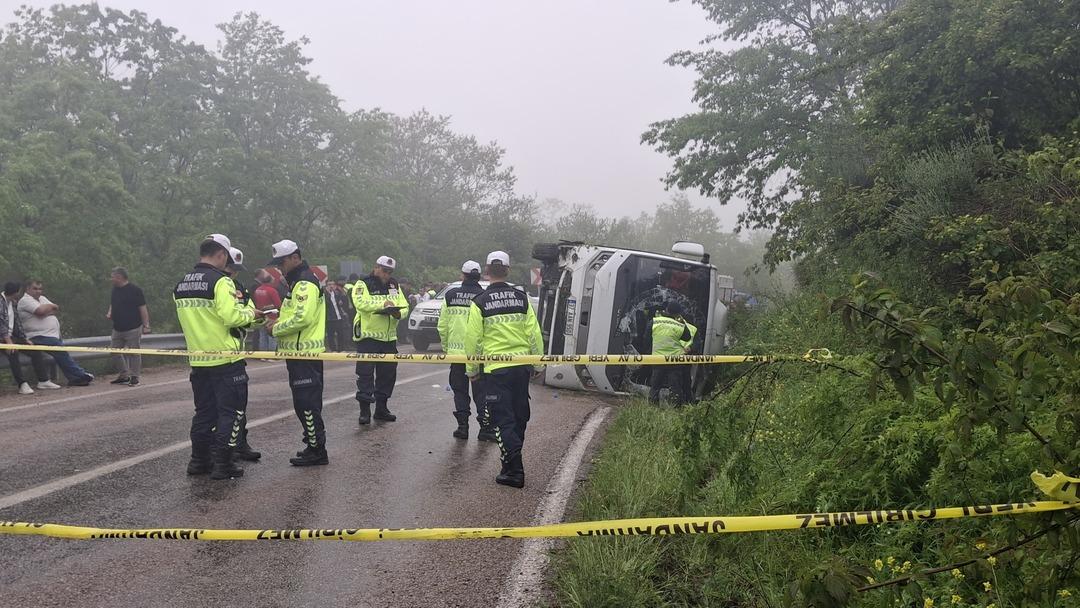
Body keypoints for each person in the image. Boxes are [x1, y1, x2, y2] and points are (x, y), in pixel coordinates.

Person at [174, 234, 262, 480]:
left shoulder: (181, 284)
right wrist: (252, 314)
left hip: (198, 360)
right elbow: (232, 317)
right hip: (225, 359)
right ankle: (223, 464)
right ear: (222, 255)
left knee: (203, 414)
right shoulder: (222, 282)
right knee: (231, 414)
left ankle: (198, 461)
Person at [464, 251, 544, 488]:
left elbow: (473, 340)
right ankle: (509, 464)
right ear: (508, 270)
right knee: (519, 417)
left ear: (487, 271)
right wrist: (538, 364)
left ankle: (515, 471)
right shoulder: (521, 298)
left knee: (503, 420)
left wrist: (472, 370)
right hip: (520, 369)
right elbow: (534, 334)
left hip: (495, 370)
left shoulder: (479, 302)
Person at [267, 239, 329, 466]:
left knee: (307, 404)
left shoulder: (304, 282)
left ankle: (317, 450)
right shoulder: (296, 282)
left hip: (305, 354)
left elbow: (303, 318)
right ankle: (312, 444)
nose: (279, 268)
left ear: (295, 258)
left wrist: (276, 329)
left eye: (281, 263)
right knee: (304, 404)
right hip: (297, 353)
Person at [438, 260, 495, 440]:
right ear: (479, 276)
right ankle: (485, 429)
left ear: (462, 275)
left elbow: (442, 326)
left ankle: (462, 427)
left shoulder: (451, 295)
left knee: (460, 391)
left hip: (456, 355)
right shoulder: (484, 296)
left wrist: (448, 349)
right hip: (478, 356)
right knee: (481, 393)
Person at [351, 255, 408, 425]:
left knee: (387, 375)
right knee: (365, 375)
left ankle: (381, 408)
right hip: (368, 336)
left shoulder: (394, 285)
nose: (386, 275)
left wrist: (398, 313)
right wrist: (381, 306)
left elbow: (404, 305)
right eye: (384, 271)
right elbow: (360, 303)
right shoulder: (363, 283)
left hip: (389, 338)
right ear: (376, 267)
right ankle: (365, 411)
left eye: (390, 272)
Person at [223, 247, 262, 462]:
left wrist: (259, 317)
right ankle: (222, 450)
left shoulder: (239, 287)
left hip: (236, 350)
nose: (233, 273)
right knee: (223, 408)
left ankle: (240, 444)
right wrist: (247, 314)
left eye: (235, 269)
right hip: (219, 352)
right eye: (230, 268)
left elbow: (250, 308)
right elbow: (229, 316)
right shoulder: (217, 285)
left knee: (239, 405)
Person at [18, 280, 94, 386]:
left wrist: (46, 310)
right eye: (35, 288)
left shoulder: (42, 298)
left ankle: (75, 379)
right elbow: (40, 311)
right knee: (61, 351)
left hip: (50, 335)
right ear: (27, 289)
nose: (38, 291)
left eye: (40, 289)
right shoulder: (25, 300)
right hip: (37, 336)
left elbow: (55, 308)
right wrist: (46, 310)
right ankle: (80, 374)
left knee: (60, 353)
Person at [1, 282, 58, 394]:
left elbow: (17, 323)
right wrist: (8, 342)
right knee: (13, 352)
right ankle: (22, 384)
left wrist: (24, 339)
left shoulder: (12, 303)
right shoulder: (0, 303)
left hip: (12, 336)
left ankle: (43, 380)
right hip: (2, 338)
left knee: (35, 350)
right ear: (16, 292)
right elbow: (1, 324)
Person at [105, 267, 150, 387]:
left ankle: (135, 377)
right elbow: (113, 302)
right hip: (118, 328)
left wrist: (146, 325)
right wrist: (110, 312)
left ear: (120, 277)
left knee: (134, 353)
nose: (111, 279)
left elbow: (143, 308)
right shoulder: (115, 290)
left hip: (133, 327)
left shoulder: (135, 290)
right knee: (114, 351)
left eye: (113, 277)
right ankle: (124, 374)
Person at [646, 301, 693, 405]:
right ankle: (675, 409)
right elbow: (688, 337)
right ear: (678, 314)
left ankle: (652, 408)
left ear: (666, 310)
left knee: (655, 386)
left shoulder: (654, 322)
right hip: (674, 361)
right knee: (675, 387)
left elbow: (646, 339)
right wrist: (682, 322)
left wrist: (649, 352)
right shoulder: (679, 326)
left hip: (658, 360)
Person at [252, 269, 281, 352]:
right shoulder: (272, 291)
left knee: (262, 336)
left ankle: (263, 355)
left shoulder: (257, 290)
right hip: (272, 316)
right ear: (270, 281)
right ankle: (271, 355)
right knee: (272, 336)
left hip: (262, 315)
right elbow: (278, 305)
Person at [324, 279, 352, 352]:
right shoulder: (324, 294)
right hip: (329, 318)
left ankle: (341, 349)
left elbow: (343, 302)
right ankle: (333, 349)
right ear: (326, 286)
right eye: (329, 284)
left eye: (332, 284)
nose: (331, 286)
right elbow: (326, 304)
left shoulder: (337, 293)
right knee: (331, 335)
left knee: (341, 334)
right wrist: (328, 293)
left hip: (339, 317)